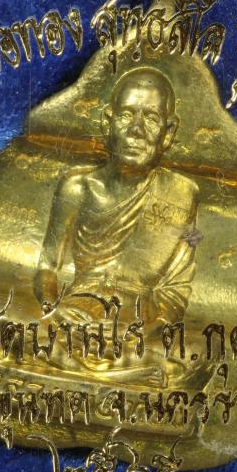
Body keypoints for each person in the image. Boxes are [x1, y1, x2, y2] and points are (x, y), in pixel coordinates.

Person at [34, 67, 199, 329]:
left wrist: (155, 327)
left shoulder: (182, 194)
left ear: (168, 132)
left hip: (140, 321)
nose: (136, 129)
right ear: (107, 122)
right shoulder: (77, 188)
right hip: (78, 312)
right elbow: (47, 267)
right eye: (126, 115)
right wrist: (53, 309)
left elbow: (178, 284)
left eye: (151, 118)